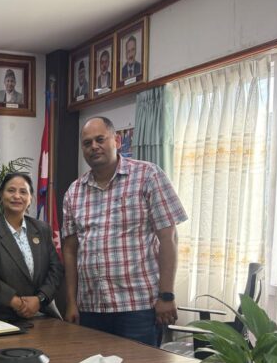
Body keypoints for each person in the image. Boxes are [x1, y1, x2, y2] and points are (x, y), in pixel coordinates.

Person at [62, 116, 187, 347]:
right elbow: (69, 250)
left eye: (100, 139)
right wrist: (71, 302)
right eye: (87, 143)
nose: (94, 146)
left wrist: (166, 295)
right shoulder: (74, 191)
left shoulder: (148, 176)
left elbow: (169, 238)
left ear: (117, 141)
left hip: (138, 307)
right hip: (91, 308)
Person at [0, 173, 64, 320]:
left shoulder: (42, 229)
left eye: (23, 192)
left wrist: (39, 299)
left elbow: (56, 269)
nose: (17, 196)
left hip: (42, 312)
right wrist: (15, 302)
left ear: (30, 198)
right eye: (11, 190)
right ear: (0, 196)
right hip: (2, 316)